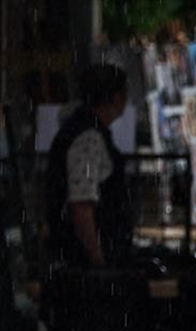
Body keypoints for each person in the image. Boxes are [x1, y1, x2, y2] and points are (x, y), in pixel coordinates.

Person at [44, 63, 133, 268]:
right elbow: (81, 204)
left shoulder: (79, 130)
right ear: (116, 97)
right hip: (85, 263)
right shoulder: (89, 138)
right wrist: (97, 258)